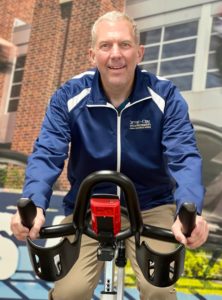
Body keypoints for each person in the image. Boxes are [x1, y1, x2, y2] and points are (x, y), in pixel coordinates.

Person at [11, 11, 209, 300]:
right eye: (106, 46)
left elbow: (184, 155)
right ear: (92, 55)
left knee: (159, 290)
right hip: (86, 207)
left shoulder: (165, 96)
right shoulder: (69, 96)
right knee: (70, 292)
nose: (116, 54)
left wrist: (189, 211)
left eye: (124, 45)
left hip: (151, 205)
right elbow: (47, 152)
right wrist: (35, 203)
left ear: (139, 52)